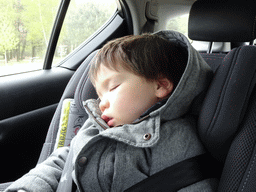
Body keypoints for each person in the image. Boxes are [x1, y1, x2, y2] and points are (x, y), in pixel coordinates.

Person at [5, 30, 218, 192]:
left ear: (160, 86)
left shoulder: (177, 140)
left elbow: (189, 182)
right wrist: (30, 187)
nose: (102, 103)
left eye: (113, 87)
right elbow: (64, 159)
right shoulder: (98, 124)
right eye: (99, 94)